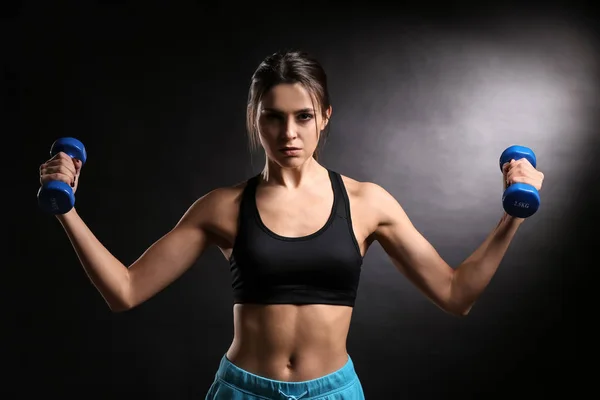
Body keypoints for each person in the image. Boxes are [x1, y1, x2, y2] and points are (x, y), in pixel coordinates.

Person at [39, 49, 545, 399]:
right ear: (254, 119)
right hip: (244, 391)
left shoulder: (368, 203)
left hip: (333, 393)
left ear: (324, 116)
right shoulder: (222, 207)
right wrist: (67, 210)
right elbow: (124, 290)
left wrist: (511, 215)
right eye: (272, 117)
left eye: (303, 116)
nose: (288, 132)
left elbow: (456, 294)